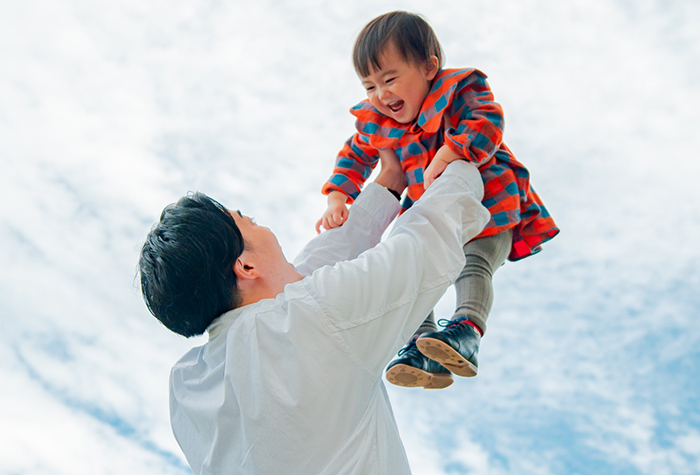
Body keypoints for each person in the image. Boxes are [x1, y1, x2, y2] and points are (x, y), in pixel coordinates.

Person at [138, 156, 490, 474]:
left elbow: (305, 282)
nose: (264, 228)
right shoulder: (308, 322)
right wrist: (462, 162)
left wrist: (388, 182)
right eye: (251, 222)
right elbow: (420, 248)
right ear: (245, 265)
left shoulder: (187, 384)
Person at [317, 11, 560, 389]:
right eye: (368, 86)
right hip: (430, 210)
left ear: (429, 67)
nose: (381, 95)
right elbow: (354, 155)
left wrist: (449, 153)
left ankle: (467, 331)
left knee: (474, 264)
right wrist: (337, 196)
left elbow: (487, 120)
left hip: (489, 204)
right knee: (406, 268)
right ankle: (423, 347)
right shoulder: (378, 122)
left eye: (390, 79)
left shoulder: (457, 90)